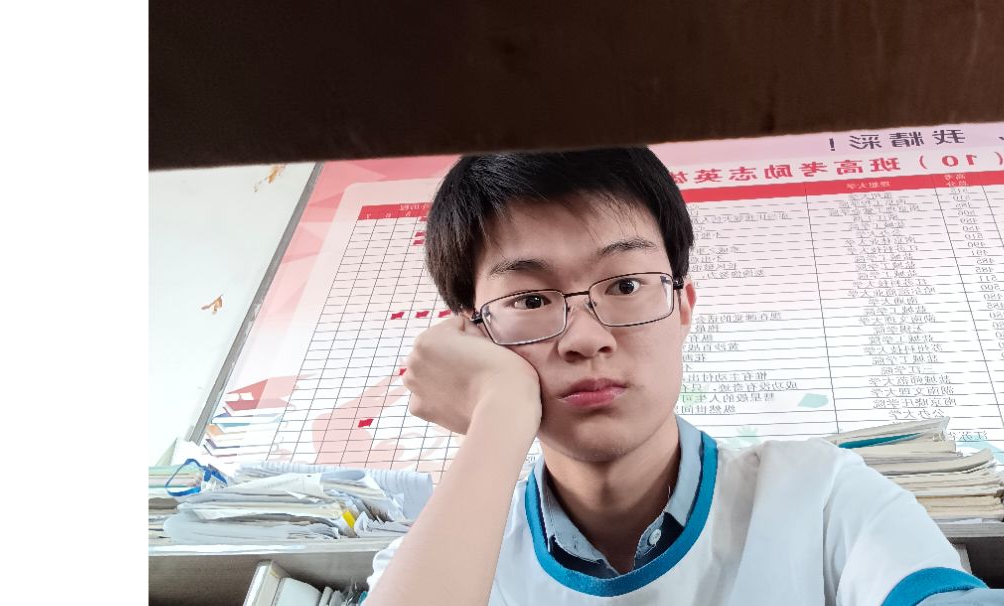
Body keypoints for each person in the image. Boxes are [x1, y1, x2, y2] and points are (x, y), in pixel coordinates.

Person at [362, 148, 999, 605]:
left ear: (683, 307)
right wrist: (497, 415)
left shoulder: (825, 499)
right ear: (473, 338)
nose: (586, 338)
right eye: (529, 300)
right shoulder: (437, 559)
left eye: (626, 285)